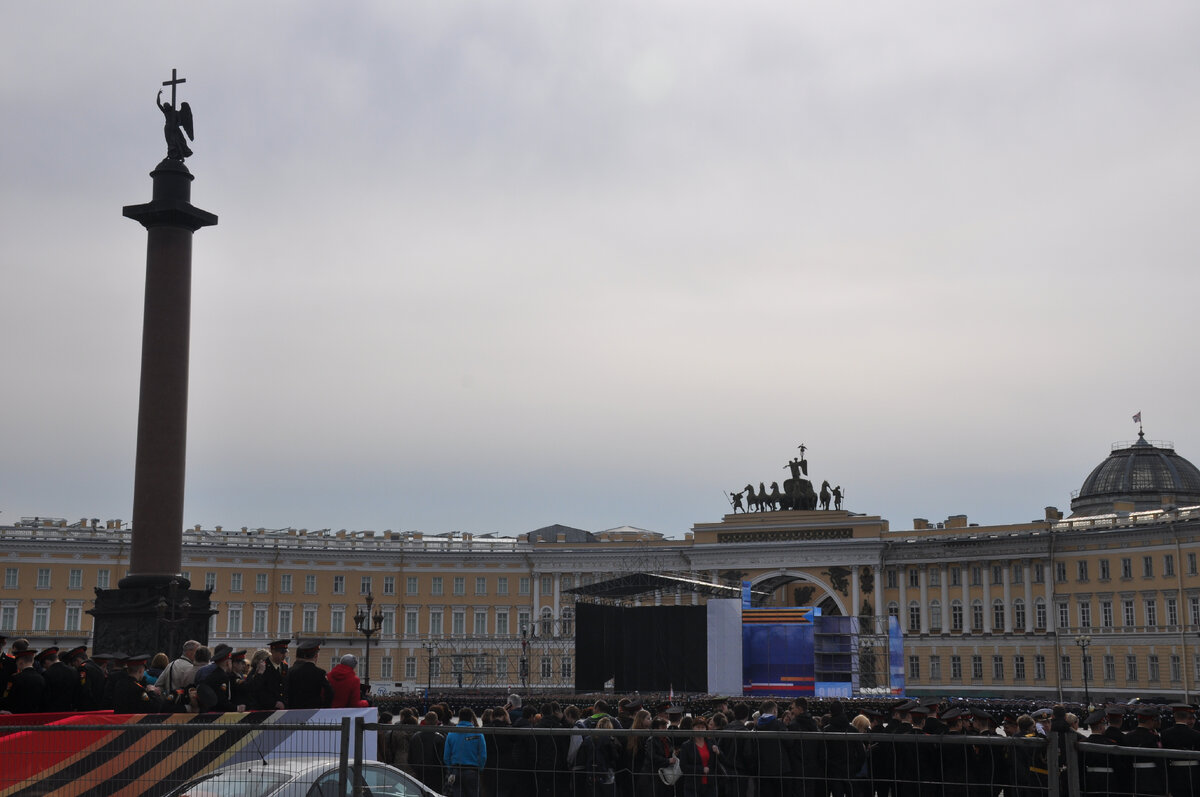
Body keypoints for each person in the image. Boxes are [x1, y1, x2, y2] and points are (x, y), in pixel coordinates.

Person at [444, 707, 486, 797]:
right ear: (471, 718)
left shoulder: (451, 733)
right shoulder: (478, 733)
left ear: (459, 717)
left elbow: (446, 756)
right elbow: (483, 755)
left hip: (456, 770)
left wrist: (451, 768)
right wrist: (480, 768)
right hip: (472, 770)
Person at [678, 715, 723, 797]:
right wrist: (701, 769)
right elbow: (683, 766)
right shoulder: (686, 746)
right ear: (693, 728)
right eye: (698, 727)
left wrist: (718, 752)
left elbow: (721, 759)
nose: (700, 729)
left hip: (710, 785)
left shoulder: (711, 742)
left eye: (702, 727)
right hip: (693, 786)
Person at [284, 640, 332, 709]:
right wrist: (324, 708)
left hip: (293, 713)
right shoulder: (320, 673)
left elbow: (285, 693)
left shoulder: (290, 671)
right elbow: (329, 693)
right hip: (313, 714)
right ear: (316, 656)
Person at [1, 647, 44, 713]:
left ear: (20, 662)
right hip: (35, 717)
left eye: (17, 663)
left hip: (17, 716)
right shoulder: (41, 678)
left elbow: (7, 698)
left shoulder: (15, 679)